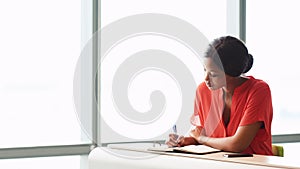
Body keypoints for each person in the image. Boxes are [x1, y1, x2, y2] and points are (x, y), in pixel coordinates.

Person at [166, 36, 273, 155]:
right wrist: (184, 141)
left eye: (214, 74)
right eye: (205, 70)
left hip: (256, 164)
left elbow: (238, 145)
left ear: (233, 73)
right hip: (218, 163)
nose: (206, 79)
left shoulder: (258, 90)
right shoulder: (203, 90)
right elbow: (201, 135)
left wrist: (202, 139)